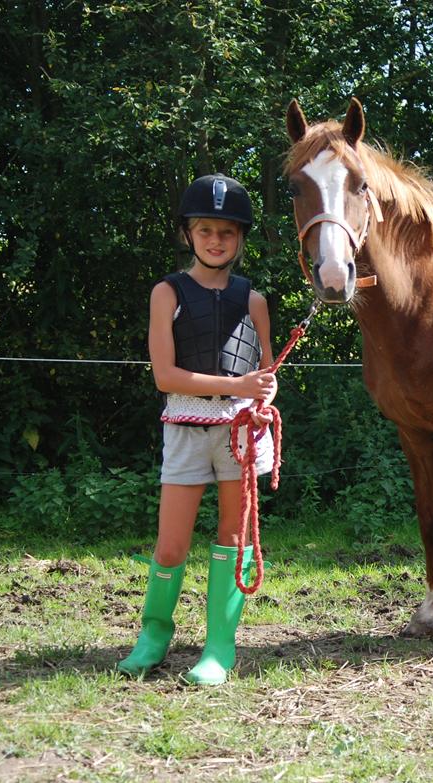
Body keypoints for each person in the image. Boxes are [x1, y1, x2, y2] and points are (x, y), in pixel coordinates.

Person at [118, 173, 277, 685]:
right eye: (205, 230)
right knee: (170, 545)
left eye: (227, 232)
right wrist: (237, 387)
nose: (216, 240)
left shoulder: (253, 300)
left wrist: (264, 392)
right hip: (185, 427)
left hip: (239, 433)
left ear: (240, 239)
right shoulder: (167, 292)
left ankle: (219, 647)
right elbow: (165, 375)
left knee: (234, 538)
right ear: (189, 234)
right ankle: (154, 636)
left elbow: (266, 373)